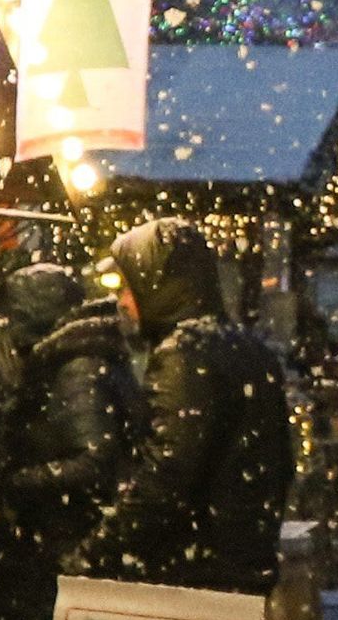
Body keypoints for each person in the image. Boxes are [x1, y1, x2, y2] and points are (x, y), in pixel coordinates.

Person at [77, 218, 296, 596]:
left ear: (159, 286)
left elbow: (168, 474)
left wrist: (96, 551)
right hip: (240, 568)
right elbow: (279, 463)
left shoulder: (184, 354)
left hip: (193, 577)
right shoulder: (250, 348)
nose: (125, 303)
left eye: (132, 288)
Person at [0, 260, 136, 620]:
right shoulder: (76, 360)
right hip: (59, 548)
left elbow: (93, 462)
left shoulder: (75, 368)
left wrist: (15, 481)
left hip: (63, 548)